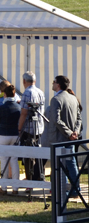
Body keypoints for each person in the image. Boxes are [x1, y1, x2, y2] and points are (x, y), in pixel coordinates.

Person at [43, 75, 83, 203]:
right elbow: (79, 119)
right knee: (71, 164)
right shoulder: (73, 98)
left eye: (53, 82)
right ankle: (76, 190)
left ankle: (62, 192)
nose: (52, 84)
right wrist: (75, 132)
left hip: (59, 138)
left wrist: (70, 133)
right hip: (70, 137)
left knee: (60, 166)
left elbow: (56, 120)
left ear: (58, 84)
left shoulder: (56, 99)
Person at [0, 83, 23, 194]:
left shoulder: (1, 107)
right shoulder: (19, 107)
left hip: (3, 135)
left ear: (4, 95)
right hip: (15, 135)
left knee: (3, 161)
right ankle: (15, 188)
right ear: (14, 95)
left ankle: (3, 188)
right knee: (14, 161)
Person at [18, 71, 46, 183]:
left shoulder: (27, 92)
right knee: (39, 153)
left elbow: (24, 113)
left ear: (24, 81)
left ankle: (30, 179)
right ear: (35, 80)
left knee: (28, 155)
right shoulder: (40, 92)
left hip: (28, 128)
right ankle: (39, 176)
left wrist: (19, 128)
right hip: (40, 127)